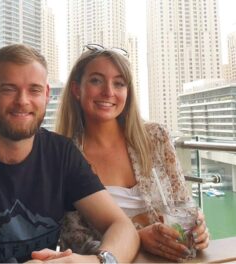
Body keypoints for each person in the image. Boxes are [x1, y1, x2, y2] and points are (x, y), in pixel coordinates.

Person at [0, 44, 140, 263]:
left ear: (46, 95)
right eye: (9, 89)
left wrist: (93, 261)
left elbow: (121, 226)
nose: (23, 100)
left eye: (33, 90)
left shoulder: (61, 155)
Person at [55, 43, 210, 262]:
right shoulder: (64, 154)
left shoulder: (156, 137)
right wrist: (135, 238)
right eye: (96, 80)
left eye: (119, 83)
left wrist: (198, 230)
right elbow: (73, 239)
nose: (109, 91)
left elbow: (183, 205)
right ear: (76, 90)